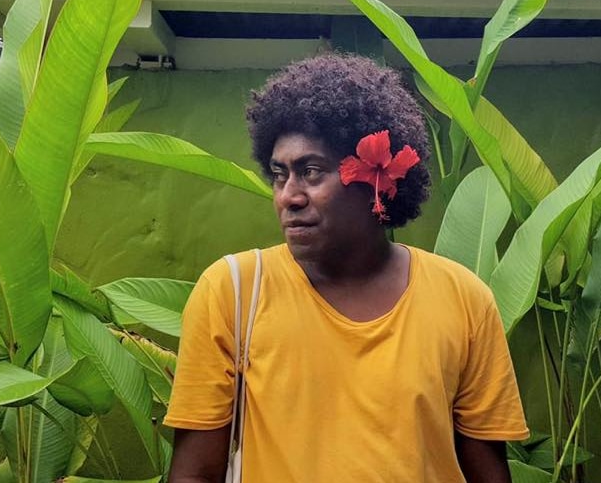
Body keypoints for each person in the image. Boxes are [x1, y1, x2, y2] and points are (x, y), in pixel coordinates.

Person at [164, 53, 529, 482]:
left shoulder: (464, 299)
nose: (289, 196)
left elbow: (488, 472)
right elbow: (193, 474)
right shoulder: (233, 291)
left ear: (375, 178)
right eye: (280, 175)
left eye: (312, 171)